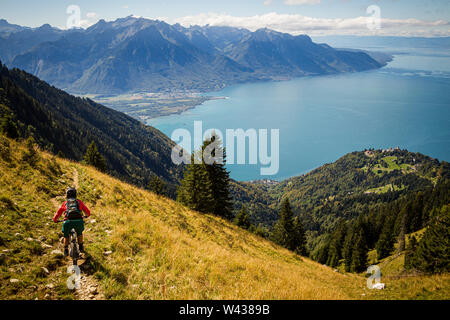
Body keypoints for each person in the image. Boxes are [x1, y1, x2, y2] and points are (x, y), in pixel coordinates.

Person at [53, 187, 90, 256]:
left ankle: (66, 249)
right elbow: (87, 212)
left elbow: (58, 213)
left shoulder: (65, 203)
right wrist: (87, 215)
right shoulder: (79, 202)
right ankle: (81, 246)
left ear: (67, 195)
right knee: (79, 233)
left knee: (66, 235)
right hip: (78, 221)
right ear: (75, 194)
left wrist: (55, 220)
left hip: (68, 222)